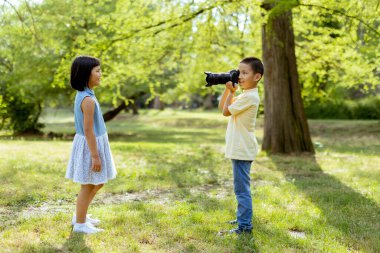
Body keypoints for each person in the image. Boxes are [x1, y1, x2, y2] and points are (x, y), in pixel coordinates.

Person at [66, 56, 117, 234]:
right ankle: (79, 224)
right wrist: (95, 156)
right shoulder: (87, 100)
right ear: (86, 74)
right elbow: (88, 130)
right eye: (97, 71)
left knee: (98, 182)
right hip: (90, 146)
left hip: (95, 143)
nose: (100, 74)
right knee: (87, 185)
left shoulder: (88, 94)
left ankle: (81, 215)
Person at [218, 57, 264, 235]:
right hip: (239, 148)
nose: (240, 76)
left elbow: (225, 111)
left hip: (242, 149)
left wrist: (231, 92)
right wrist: (228, 90)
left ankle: (245, 226)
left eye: (245, 73)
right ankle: (241, 218)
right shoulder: (245, 95)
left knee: (241, 190)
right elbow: (223, 107)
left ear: (257, 76)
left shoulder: (250, 97)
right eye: (239, 72)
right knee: (240, 188)